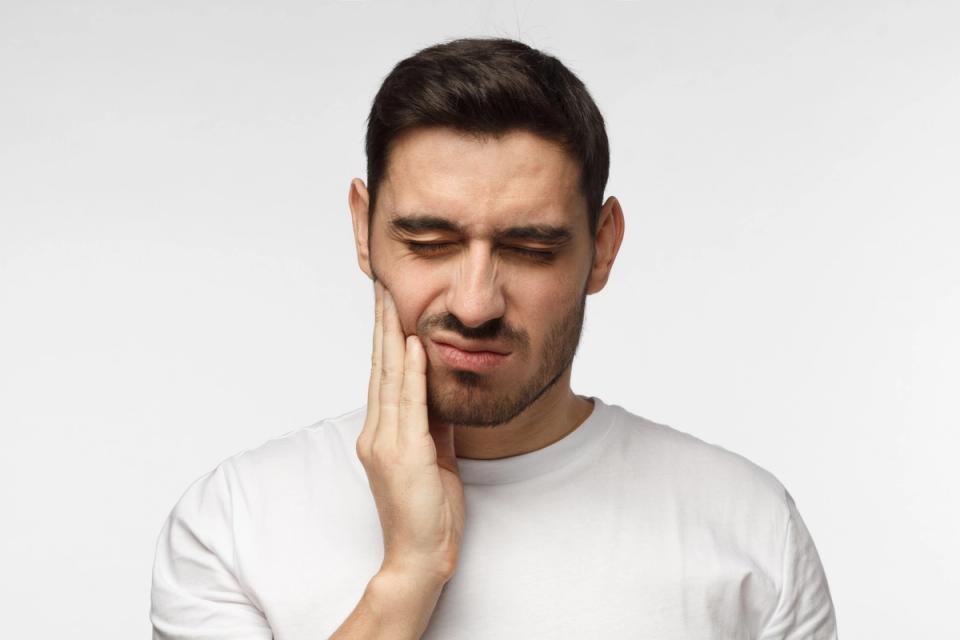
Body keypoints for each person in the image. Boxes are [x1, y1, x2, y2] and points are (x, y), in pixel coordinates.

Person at [150, 38, 838, 639]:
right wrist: (409, 577)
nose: (475, 303)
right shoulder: (233, 525)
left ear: (602, 249)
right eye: (428, 242)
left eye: (531, 248)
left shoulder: (747, 525)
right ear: (363, 230)